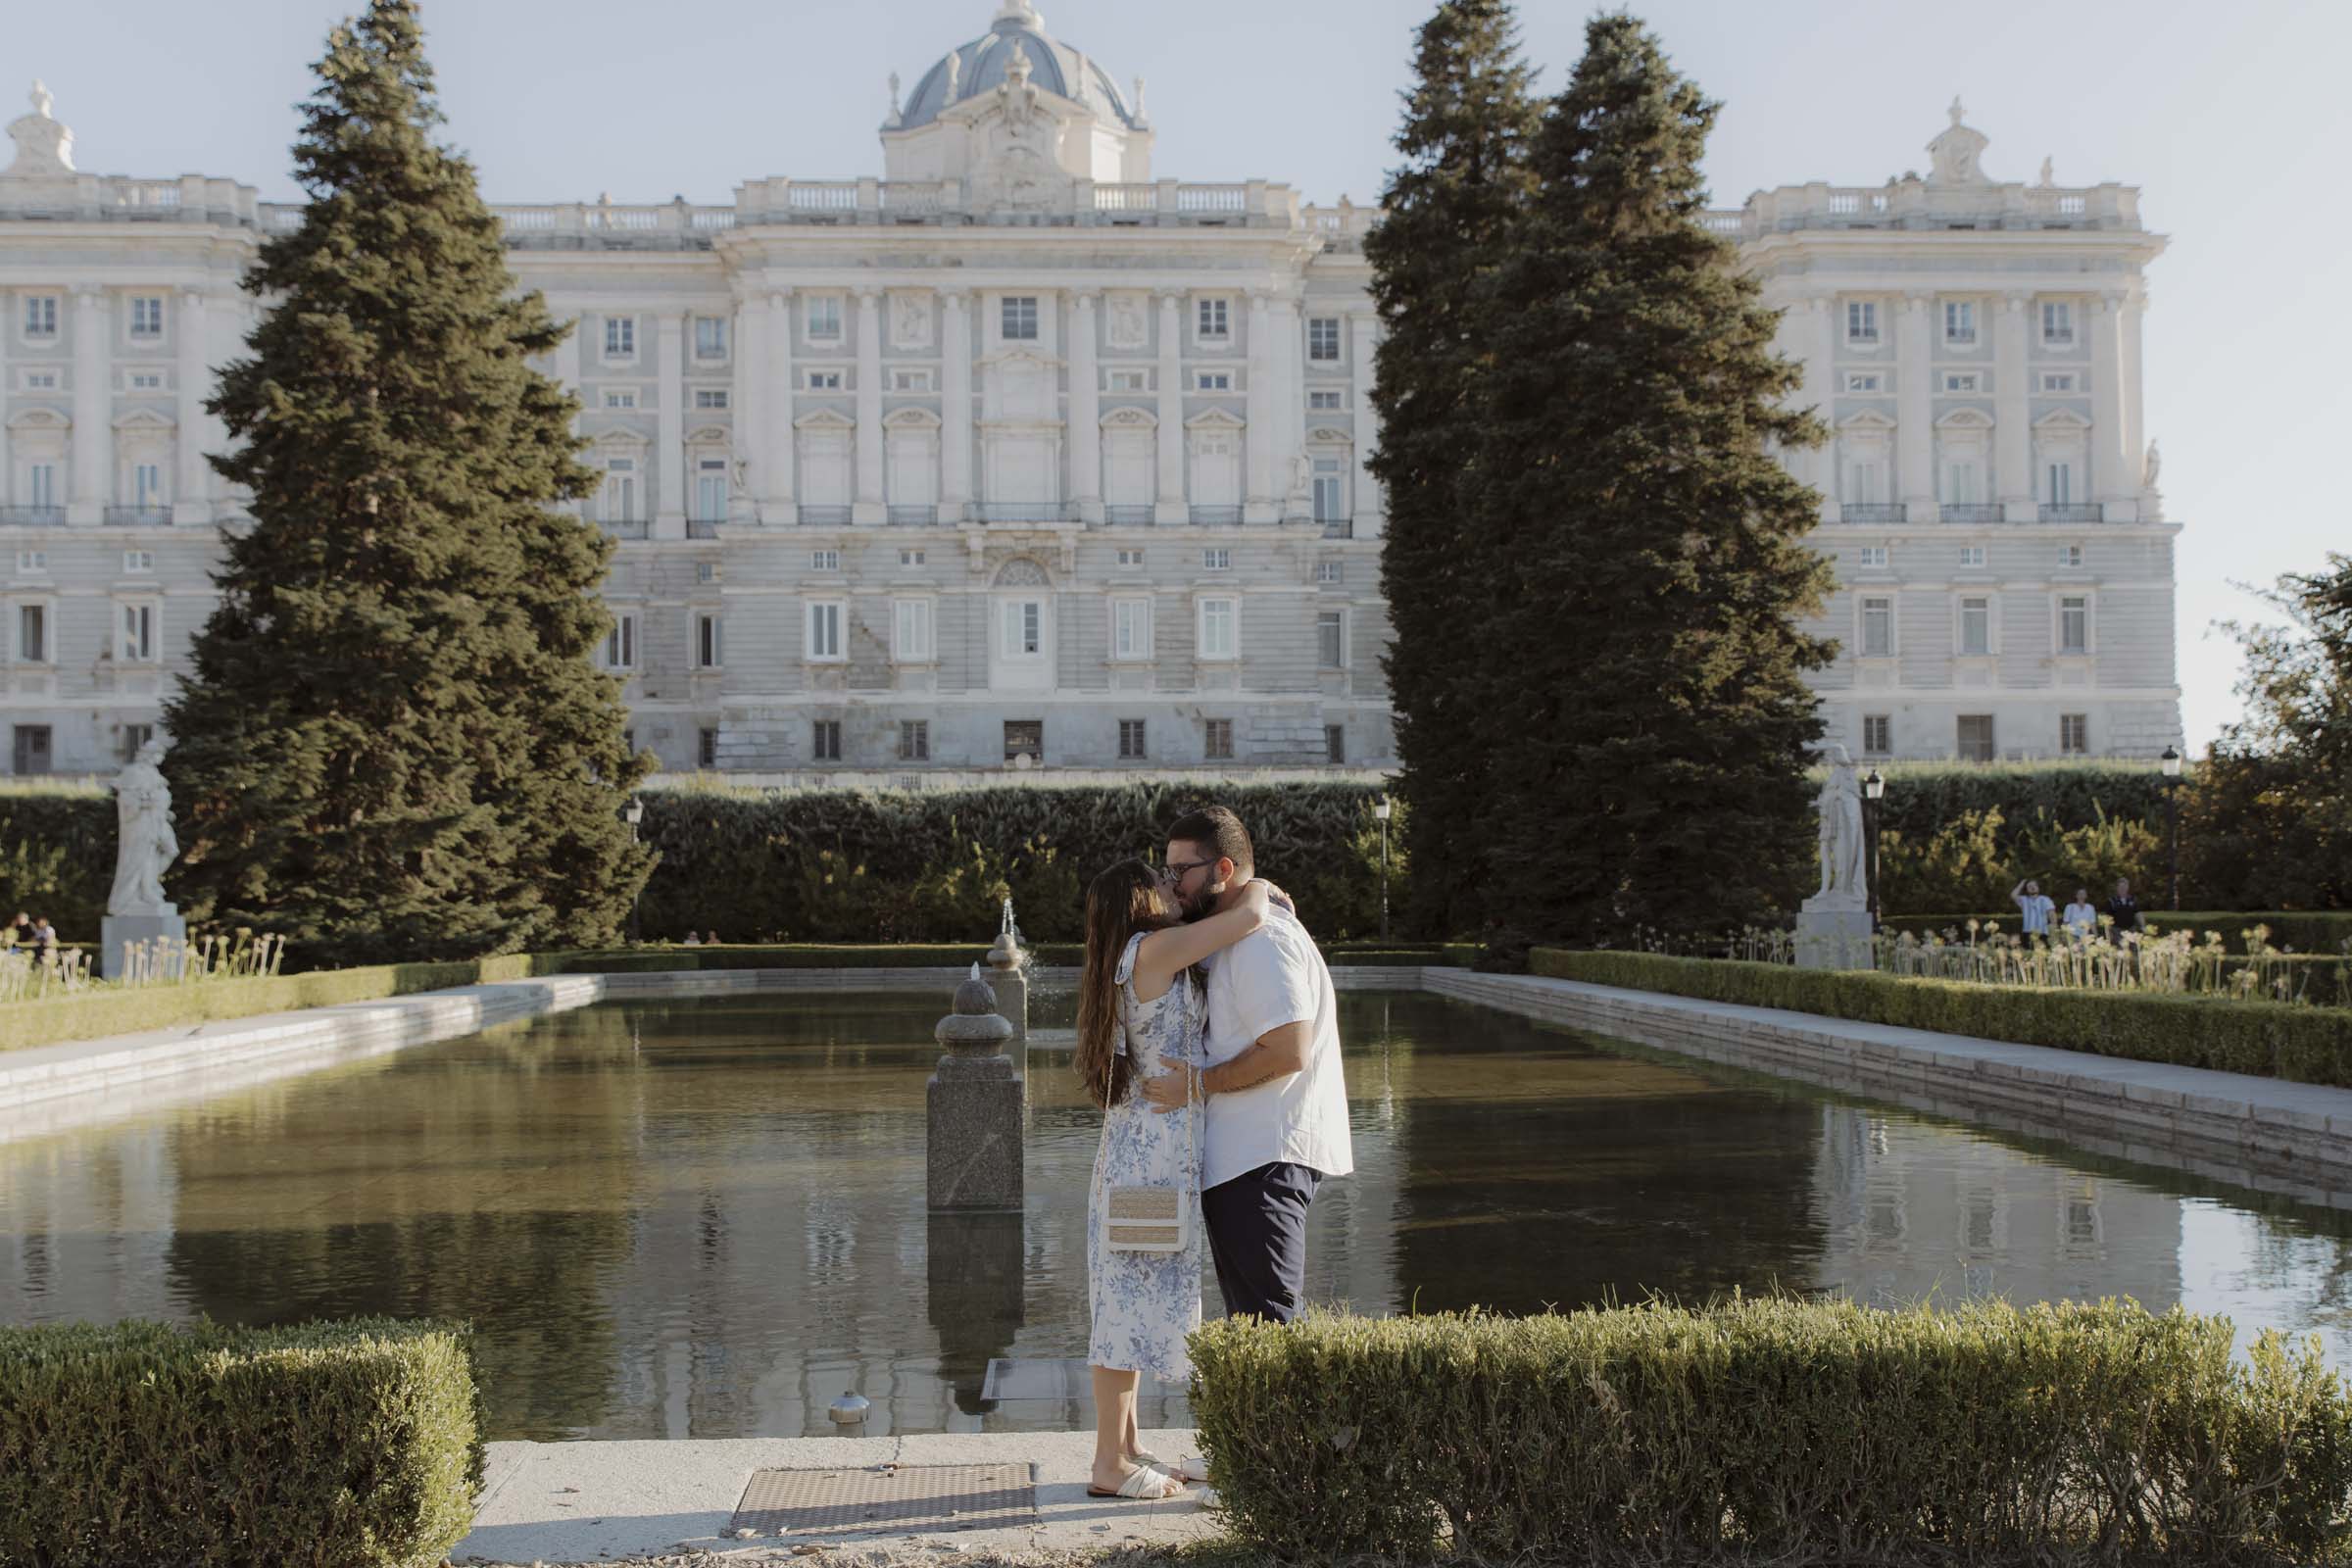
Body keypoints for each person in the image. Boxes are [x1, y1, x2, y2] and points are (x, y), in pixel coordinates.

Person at [1075, 858, 1274, 1501]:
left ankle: (1127, 1448)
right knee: (1121, 1312)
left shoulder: (1138, 954)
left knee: (1126, 1305)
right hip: (1147, 1159)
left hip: (1148, 1154)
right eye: (1161, 882)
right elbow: (1248, 915)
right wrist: (1260, 881)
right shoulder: (1152, 949)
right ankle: (1109, 1461)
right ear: (1140, 899)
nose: (1173, 888)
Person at [1141, 806, 1353, 1331]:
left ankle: (1286, 1419)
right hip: (1247, 1162)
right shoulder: (1238, 933)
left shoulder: (1264, 942)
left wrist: (1196, 1085)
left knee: (1270, 1329)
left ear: (1224, 871)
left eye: (1181, 871)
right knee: (1254, 1329)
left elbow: (1288, 1051)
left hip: (1263, 1162)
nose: (1173, 884)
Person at [2106, 878, 2142, 943]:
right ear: (2117, 888)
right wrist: (2109, 932)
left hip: (2131, 929)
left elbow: (2138, 913)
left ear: (2128, 887)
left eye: (2125, 886)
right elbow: (2108, 918)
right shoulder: (2111, 901)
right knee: (2120, 950)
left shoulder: (2133, 899)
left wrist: (2143, 926)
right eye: (2120, 886)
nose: (2123, 888)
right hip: (2116, 930)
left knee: (2133, 949)